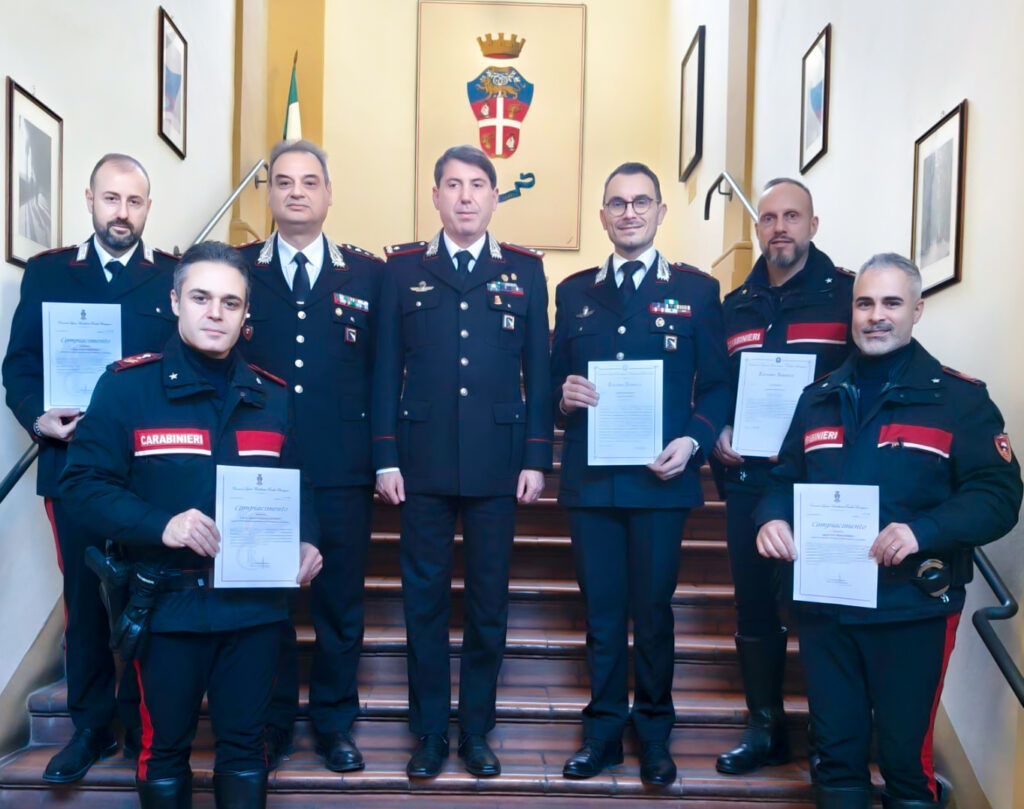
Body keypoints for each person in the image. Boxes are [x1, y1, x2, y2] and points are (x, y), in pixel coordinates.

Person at [60, 242, 323, 809]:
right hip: (166, 609)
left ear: (246, 313)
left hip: (254, 610)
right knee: (162, 751)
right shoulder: (127, 388)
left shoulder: (271, 396)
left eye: (231, 302)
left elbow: (298, 484)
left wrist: (307, 539)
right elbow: (81, 485)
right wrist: (162, 525)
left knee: (247, 751)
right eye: (201, 298)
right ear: (176, 301)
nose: (215, 313)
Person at [754, 254, 1022, 809]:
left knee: (905, 761)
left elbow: (999, 497)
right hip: (827, 609)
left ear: (917, 310)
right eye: (865, 303)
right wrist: (772, 517)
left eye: (891, 303)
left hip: (911, 610)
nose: (876, 316)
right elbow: (784, 478)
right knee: (835, 756)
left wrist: (924, 531)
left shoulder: (960, 400)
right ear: (851, 312)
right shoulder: (818, 396)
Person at [373, 145, 553, 778]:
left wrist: (537, 456)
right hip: (419, 463)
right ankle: (429, 732)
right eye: (453, 185)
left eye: (478, 185)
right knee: (422, 603)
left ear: (495, 197)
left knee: (487, 602)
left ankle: (476, 729)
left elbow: (539, 369)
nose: (466, 196)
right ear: (436, 196)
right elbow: (383, 369)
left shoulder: (525, 270)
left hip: (498, 464)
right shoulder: (402, 270)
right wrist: (384, 457)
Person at [550, 162, 730, 786]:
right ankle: (602, 733)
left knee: (652, 615)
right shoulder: (573, 292)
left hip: (661, 483)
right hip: (593, 485)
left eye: (641, 202)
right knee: (602, 615)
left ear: (659, 213)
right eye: (618, 203)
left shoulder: (697, 291)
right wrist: (562, 398)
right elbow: (550, 382)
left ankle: (653, 734)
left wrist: (694, 440)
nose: (629, 213)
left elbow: (717, 385)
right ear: (603, 215)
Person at [2, 153, 178, 782]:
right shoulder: (50, 273)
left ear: (147, 207)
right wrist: (37, 418)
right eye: (111, 199)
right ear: (89, 200)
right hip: (72, 464)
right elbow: (19, 366)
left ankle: (143, 724)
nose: (121, 213)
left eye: (133, 201)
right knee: (83, 601)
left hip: (150, 470)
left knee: (149, 595)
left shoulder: (173, 277)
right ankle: (90, 727)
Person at [237, 139, 382, 773]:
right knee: (267, 604)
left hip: (342, 467)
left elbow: (382, 372)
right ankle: (271, 723)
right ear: (269, 193)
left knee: (339, 604)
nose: (296, 192)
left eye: (309, 181)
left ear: (328, 194)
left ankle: (333, 722)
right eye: (284, 181)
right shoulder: (239, 268)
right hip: (260, 469)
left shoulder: (368, 274)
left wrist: (383, 457)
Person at [712, 178, 854, 775]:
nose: (779, 228)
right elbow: (717, 387)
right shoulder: (734, 305)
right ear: (757, 228)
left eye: (792, 216)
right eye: (768, 218)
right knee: (753, 609)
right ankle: (764, 727)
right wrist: (717, 430)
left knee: (823, 613)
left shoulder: (848, 296)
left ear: (812, 225)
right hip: (750, 483)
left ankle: (833, 737)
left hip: (822, 487)